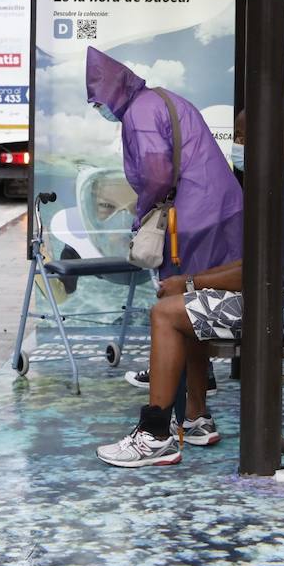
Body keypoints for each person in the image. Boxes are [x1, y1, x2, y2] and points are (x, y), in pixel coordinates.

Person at [97, 109, 284, 468]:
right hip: (282, 298)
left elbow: (261, 273)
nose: (238, 145)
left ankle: (155, 436)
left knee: (165, 313)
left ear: (274, 136)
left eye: (244, 136)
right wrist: (193, 286)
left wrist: (192, 281)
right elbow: (258, 265)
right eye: (236, 136)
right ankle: (194, 418)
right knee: (188, 305)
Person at [79, 47, 243, 468]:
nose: (99, 109)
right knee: (194, 314)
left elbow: (155, 174)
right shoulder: (163, 99)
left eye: (97, 101)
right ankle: (196, 417)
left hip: (190, 222)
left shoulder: (138, 114)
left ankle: (157, 433)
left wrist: (140, 215)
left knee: (173, 311)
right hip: (216, 214)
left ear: (111, 92)